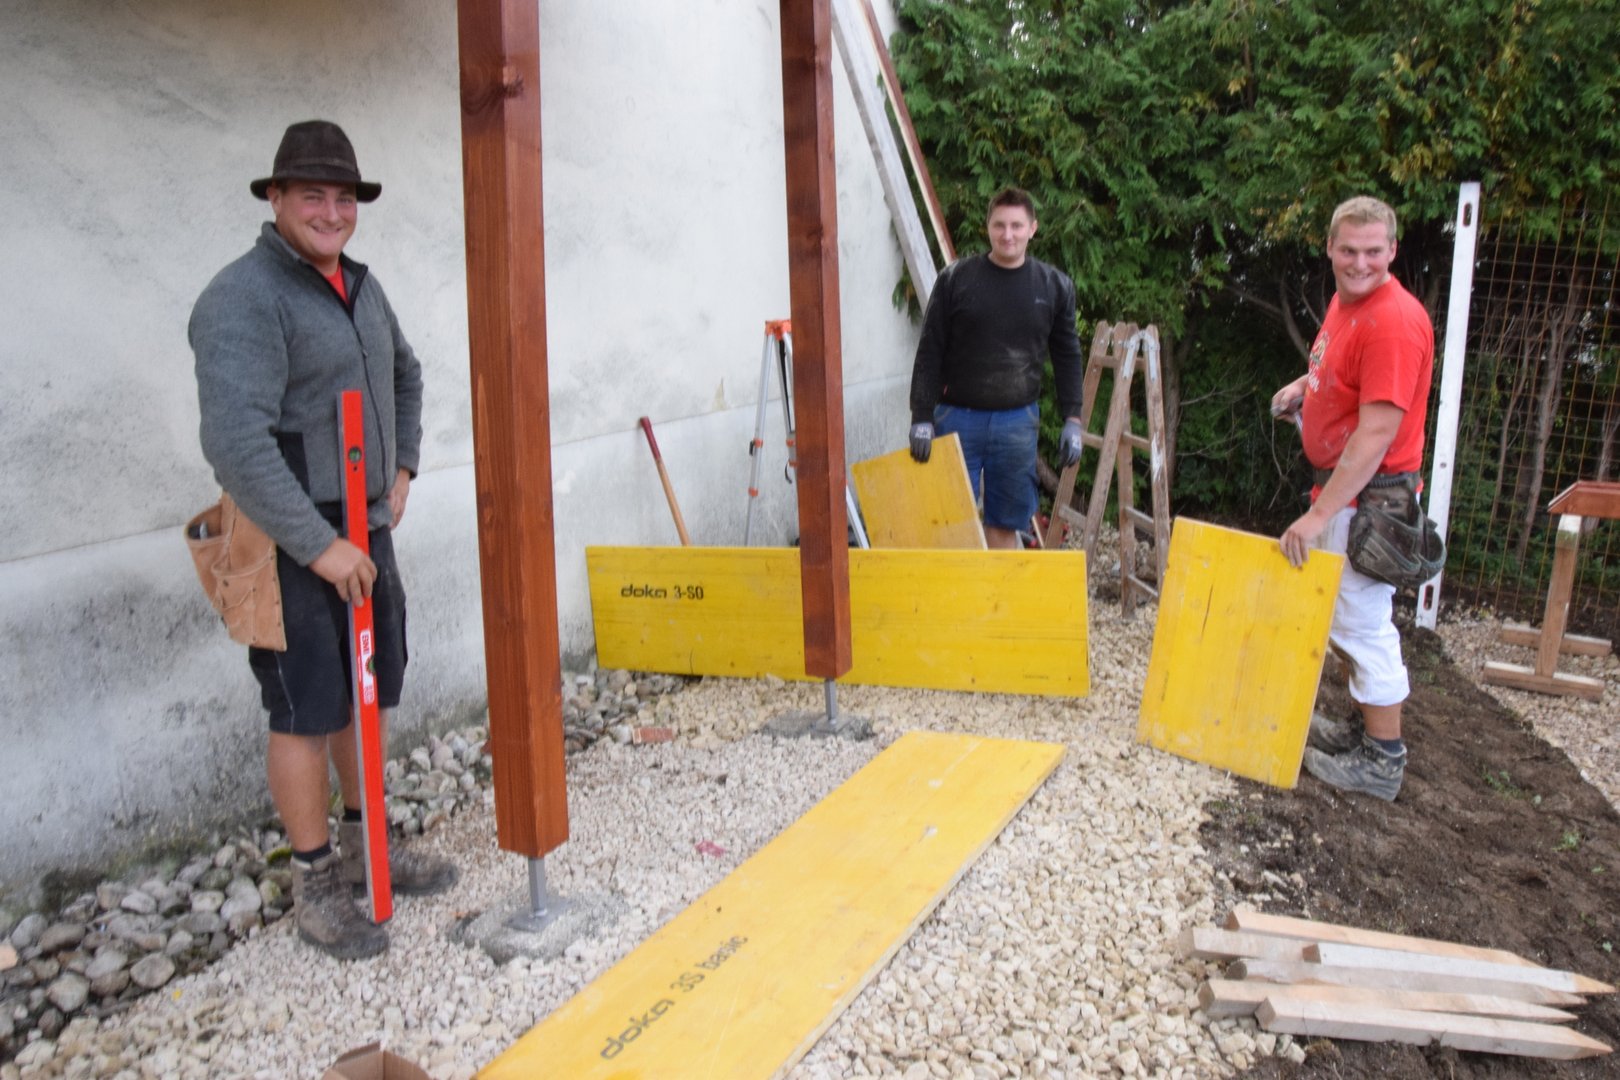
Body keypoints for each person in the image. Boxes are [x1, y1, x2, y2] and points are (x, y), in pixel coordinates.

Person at [191, 120, 455, 960]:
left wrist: (403, 465)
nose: (332, 213)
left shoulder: (360, 287)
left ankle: (365, 841)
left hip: (363, 528)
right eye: (313, 195)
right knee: (306, 707)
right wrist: (318, 545)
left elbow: (406, 373)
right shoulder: (244, 297)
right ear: (275, 198)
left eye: (344, 198)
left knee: (365, 691)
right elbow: (235, 442)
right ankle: (315, 883)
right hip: (287, 541)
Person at [1271, 195, 1435, 802]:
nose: (1359, 262)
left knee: (1364, 625)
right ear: (1331, 249)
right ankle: (1362, 732)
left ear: (1393, 250)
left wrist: (1318, 515)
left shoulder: (1392, 322)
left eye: (1372, 251)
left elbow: (1376, 434)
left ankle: (1382, 760)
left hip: (1369, 499)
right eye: (1348, 250)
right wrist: (1305, 388)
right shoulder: (1349, 303)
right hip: (1348, 493)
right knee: (1343, 616)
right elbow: (1343, 372)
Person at [908, 187, 1086, 549]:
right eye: (999, 225)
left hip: (1016, 424)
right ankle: (958, 589)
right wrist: (921, 416)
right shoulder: (956, 279)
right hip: (956, 419)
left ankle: (996, 589)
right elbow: (930, 349)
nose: (1008, 235)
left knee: (1005, 523)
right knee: (947, 523)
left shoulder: (1054, 287)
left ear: (1032, 228)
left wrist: (1073, 418)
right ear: (987, 227)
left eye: (1017, 226)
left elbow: (1067, 355)